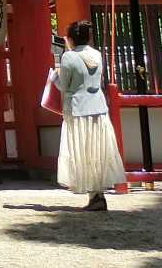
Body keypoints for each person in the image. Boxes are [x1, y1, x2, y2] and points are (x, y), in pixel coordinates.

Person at [53, 20, 126, 211]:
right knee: (98, 151)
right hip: (98, 108)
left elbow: (65, 86)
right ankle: (98, 194)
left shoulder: (68, 57)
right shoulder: (97, 55)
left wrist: (53, 78)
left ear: (70, 39)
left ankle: (94, 195)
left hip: (78, 109)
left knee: (83, 151)